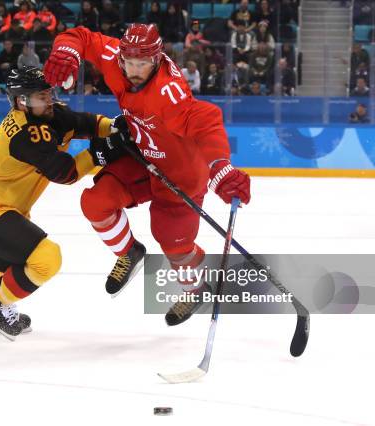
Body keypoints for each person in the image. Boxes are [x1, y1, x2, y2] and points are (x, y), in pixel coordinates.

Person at [43, 24, 250, 325]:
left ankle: (195, 288)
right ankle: (129, 253)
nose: (134, 70)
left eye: (143, 64)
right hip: (144, 158)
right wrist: (66, 50)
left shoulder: (170, 93)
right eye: (130, 63)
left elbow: (206, 121)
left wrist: (220, 166)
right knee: (96, 202)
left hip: (181, 175)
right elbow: (82, 37)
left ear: (157, 59)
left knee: (174, 246)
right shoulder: (119, 58)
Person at [0, 67, 126, 339]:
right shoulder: (25, 133)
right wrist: (99, 154)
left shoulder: (46, 113)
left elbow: (85, 123)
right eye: (40, 97)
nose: (48, 101)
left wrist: (114, 126)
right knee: (46, 259)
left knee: (10, 268)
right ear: (21, 101)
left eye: (48, 94)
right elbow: (65, 173)